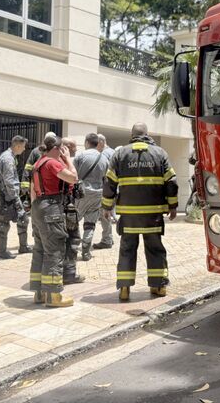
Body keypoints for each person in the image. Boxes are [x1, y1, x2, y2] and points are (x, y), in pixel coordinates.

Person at [102, 123, 178, 301]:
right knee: (155, 249)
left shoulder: (120, 154)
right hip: (153, 215)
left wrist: (106, 206)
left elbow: (109, 182)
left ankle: (124, 288)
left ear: (132, 135)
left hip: (129, 215)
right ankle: (158, 287)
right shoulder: (160, 153)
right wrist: (173, 206)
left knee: (127, 249)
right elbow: (172, 181)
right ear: (147, 134)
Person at [29, 134, 78, 307]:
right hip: (51, 208)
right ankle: (53, 295)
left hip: (37, 208)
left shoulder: (38, 163)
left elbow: (32, 191)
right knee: (55, 250)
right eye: (62, 149)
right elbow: (73, 178)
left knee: (40, 249)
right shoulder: (53, 162)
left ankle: (39, 292)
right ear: (57, 148)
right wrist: (69, 159)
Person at [74, 133, 109, 261]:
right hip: (98, 194)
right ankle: (86, 251)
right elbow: (106, 178)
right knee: (90, 224)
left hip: (82, 193)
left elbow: (74, 175)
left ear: (87, 142)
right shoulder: (104, 158)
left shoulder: (81, 156)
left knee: (73, 221)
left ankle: (72, 248)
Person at [0, 135, 31, 259]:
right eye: (23, 147)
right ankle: (3, 251)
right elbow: (9, 181)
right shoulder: (8, 159)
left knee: (22, 219)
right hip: (7, 195)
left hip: (7, 194)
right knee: (5, 221)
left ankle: (23, 246)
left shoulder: (9, 157)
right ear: (17, 146)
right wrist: (15, 199)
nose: (24, 149)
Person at [60, 137, 85, 284]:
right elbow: (73, 179)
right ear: (67, 147)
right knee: (72, 239)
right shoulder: (64, 163)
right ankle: (69, 274)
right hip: (66, 208)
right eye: (74, 147)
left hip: (57, 208)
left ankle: (60, 273)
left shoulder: (49, 160)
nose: (76, 149)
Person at [94, 134, 115, 249]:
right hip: (114, 188)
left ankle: (107, 239)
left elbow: (104, 174)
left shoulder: (104, 154)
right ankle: (109, 238)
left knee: (104, 214)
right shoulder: (113, 152)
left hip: (106, 188)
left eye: (96, 144)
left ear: (101, 142)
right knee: (107, 214)